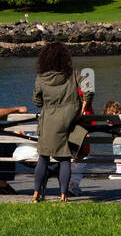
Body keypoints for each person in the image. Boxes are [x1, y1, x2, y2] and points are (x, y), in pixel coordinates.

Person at [32, 42, 83, 203]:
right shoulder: (73, 74)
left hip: (48, 121)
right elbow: (89, 87)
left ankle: (35, 194)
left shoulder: (41, 78)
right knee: (64, 158)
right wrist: (85, 104)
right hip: (68, 120)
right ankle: (63, 195)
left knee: (43, 158)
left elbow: (37, 101)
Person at [104, 101, 121, 179]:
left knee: (118, 155)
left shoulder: (113, 119)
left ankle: (119, 172)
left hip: (118, 140)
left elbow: (109, 127)